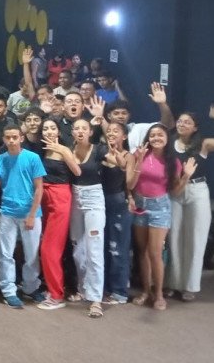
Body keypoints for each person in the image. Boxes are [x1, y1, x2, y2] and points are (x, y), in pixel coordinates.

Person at [167, 105, 214, 301]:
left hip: (197, 191)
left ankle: (189, 285)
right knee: (174, 239)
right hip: (175, 192)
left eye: (187, 122)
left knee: (196, 239)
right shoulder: (170, 141)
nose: (182, 124)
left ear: (195, 128)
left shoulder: (203, 144)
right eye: (180, 121)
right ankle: (173, 282)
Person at [126, 124, 197, 310]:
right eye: (153, 135)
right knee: (142, 252)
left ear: (167, 139)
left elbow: (175, 192)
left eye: (160, 135)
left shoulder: (173, 162)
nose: (156, 138)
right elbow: (131, 184)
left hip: (160, 208)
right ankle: (145, 291)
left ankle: (158, 294)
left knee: (155, 252)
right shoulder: (138, 155)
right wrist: (139, 162)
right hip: (140, 206)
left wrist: (186, 177)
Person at [0, 125, 47, 309]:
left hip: (30, 213)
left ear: (21, 138)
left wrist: (32, 214)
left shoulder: (32, 158)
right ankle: (9, 290)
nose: (11, 140)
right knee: (5, 254)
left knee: (32, 254)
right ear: (4, 139)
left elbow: (39, 188)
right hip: (8, 213)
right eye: (8, 137)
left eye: (15, 137)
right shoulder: (1, 160)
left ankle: (30, 287)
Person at [34, 118, 80, 310]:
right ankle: (53, 289)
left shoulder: (64, 149)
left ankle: (56, 295)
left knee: (50, 249)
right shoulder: (44, 149)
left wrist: (63, 151)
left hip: (60, 198)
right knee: (44, 246)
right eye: (46, 129)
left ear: (59, 132)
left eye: (53, 128)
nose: (49, 131)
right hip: (44, 198)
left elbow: (77, 171)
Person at [67, 118, 108, 318]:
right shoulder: (67, 148)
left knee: (94, 250)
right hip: (74, 198)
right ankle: (83, 289)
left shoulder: (99, 149)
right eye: (76, 128)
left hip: (94, 199)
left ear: (91, 131)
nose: (80, 131)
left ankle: (95, 299)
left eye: (84, 128)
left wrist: (119, 158)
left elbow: (117, 160)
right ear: (72, 132)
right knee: (78, 250)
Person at [100, 122, 132, 305]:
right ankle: (105, 288)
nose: (112, 133)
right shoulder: (100, 152)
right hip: (98, 201)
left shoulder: (129, 156)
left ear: (124, 136)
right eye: (109, 130)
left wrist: (121, 164)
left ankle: (120, 291)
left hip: (118, 202)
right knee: (102, 248)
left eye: (116, 131)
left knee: (118, 249)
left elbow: (130, 183)